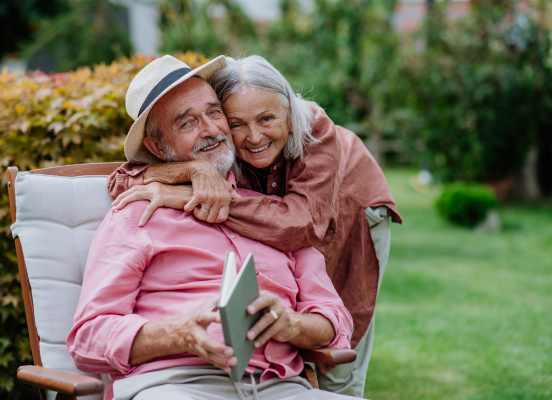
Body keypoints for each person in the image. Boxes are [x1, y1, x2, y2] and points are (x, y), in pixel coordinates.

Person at [107, 55, 402, 397]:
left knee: (340, 334)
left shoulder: (317, 132)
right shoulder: (213, 129)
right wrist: (194, 173)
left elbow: (297, 225)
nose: (253, 136)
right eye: (236, 122)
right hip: (280, 214)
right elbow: (120, 180)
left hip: (350, 209)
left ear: (289, 116)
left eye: (266, 119)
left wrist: (205, 198)